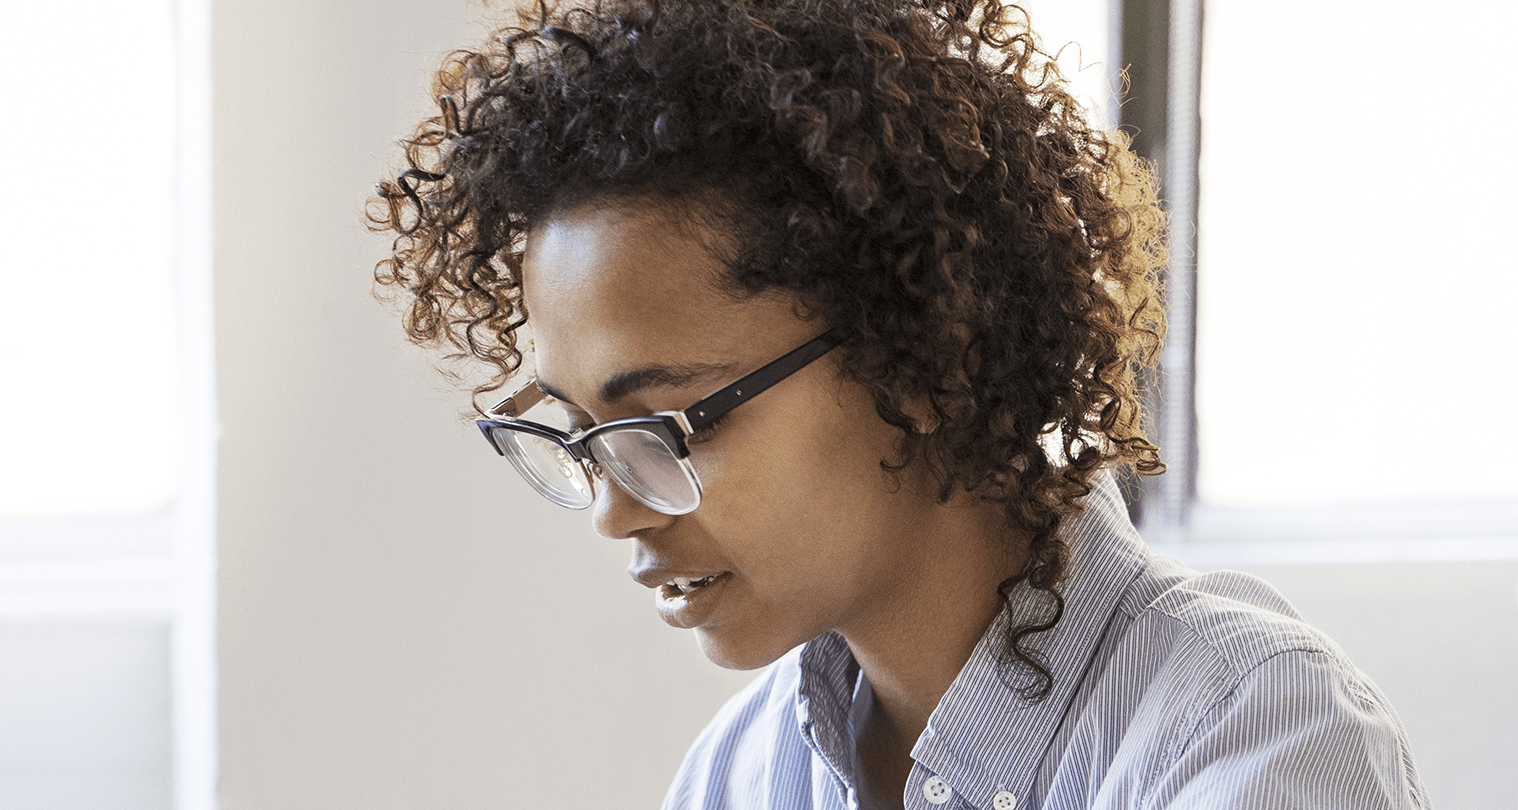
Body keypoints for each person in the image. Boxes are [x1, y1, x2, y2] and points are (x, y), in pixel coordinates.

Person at [368, 1, 1431, 808]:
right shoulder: (740, 773)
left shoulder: (1250, 736)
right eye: (586, 437)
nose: (616, 508)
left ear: (920, 358)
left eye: (666, 426)